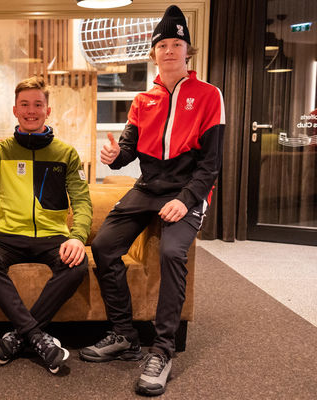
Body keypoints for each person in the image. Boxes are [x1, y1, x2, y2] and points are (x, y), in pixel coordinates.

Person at [79, 5, 225, 396]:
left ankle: (162, 351)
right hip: (147, 186)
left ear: (187, 51)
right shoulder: (143, 99)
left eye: (177, 44)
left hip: (187, 187)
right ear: (154, 53)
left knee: (172, 252)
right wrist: (115, 156)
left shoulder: (209, 95)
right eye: (163, 45)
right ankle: (125, 335)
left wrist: (187, 200)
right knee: (104, 246)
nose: (170, 50)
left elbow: (210, 165)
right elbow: (128, 150)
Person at [0, 76, 93, 374]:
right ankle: (37, 337)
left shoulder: (66, 153)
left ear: (48, 110)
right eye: (25, 104)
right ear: (15, 110)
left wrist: (78, 237)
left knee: (78, 264)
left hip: (53, 237)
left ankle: (19, 337)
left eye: (38, 105)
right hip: (8, 237)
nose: (31, 111)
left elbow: (82, 202)